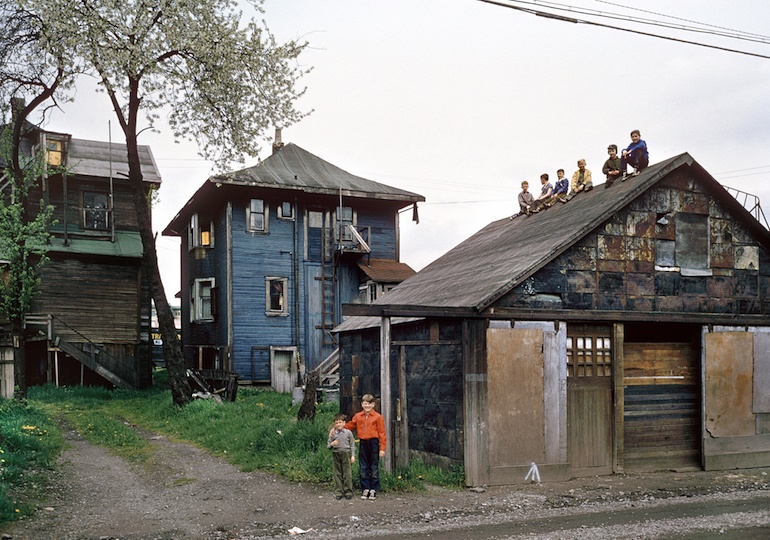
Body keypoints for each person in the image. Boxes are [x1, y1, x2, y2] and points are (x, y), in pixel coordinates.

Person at [345, 394, 387, 500]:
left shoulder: (378, 417)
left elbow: (382, 433)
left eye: (369, 404)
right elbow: (350, 425)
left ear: (373, 404)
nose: (367, 406)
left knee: (374, 466)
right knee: (363, 466)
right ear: (362, 404)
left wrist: (382, 448)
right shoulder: (358, 416)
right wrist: (338, 428)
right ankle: (365, 488)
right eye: (365, 403)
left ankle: (374, 488)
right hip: (363, 442)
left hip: (374, 443)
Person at [327, 413, 356, 500]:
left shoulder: (348, 433)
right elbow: (328, 446)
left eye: (340, 422)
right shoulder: (332, 434)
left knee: (347, 473)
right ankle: (338, 491)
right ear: (334, 424)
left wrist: (353, 455)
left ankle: (348, 491)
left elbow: (352, 444)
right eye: (336, 423)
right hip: (336, 453)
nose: (338, 424)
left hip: (346, 453)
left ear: (344, 423)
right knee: (337, 473)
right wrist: (332, 444)